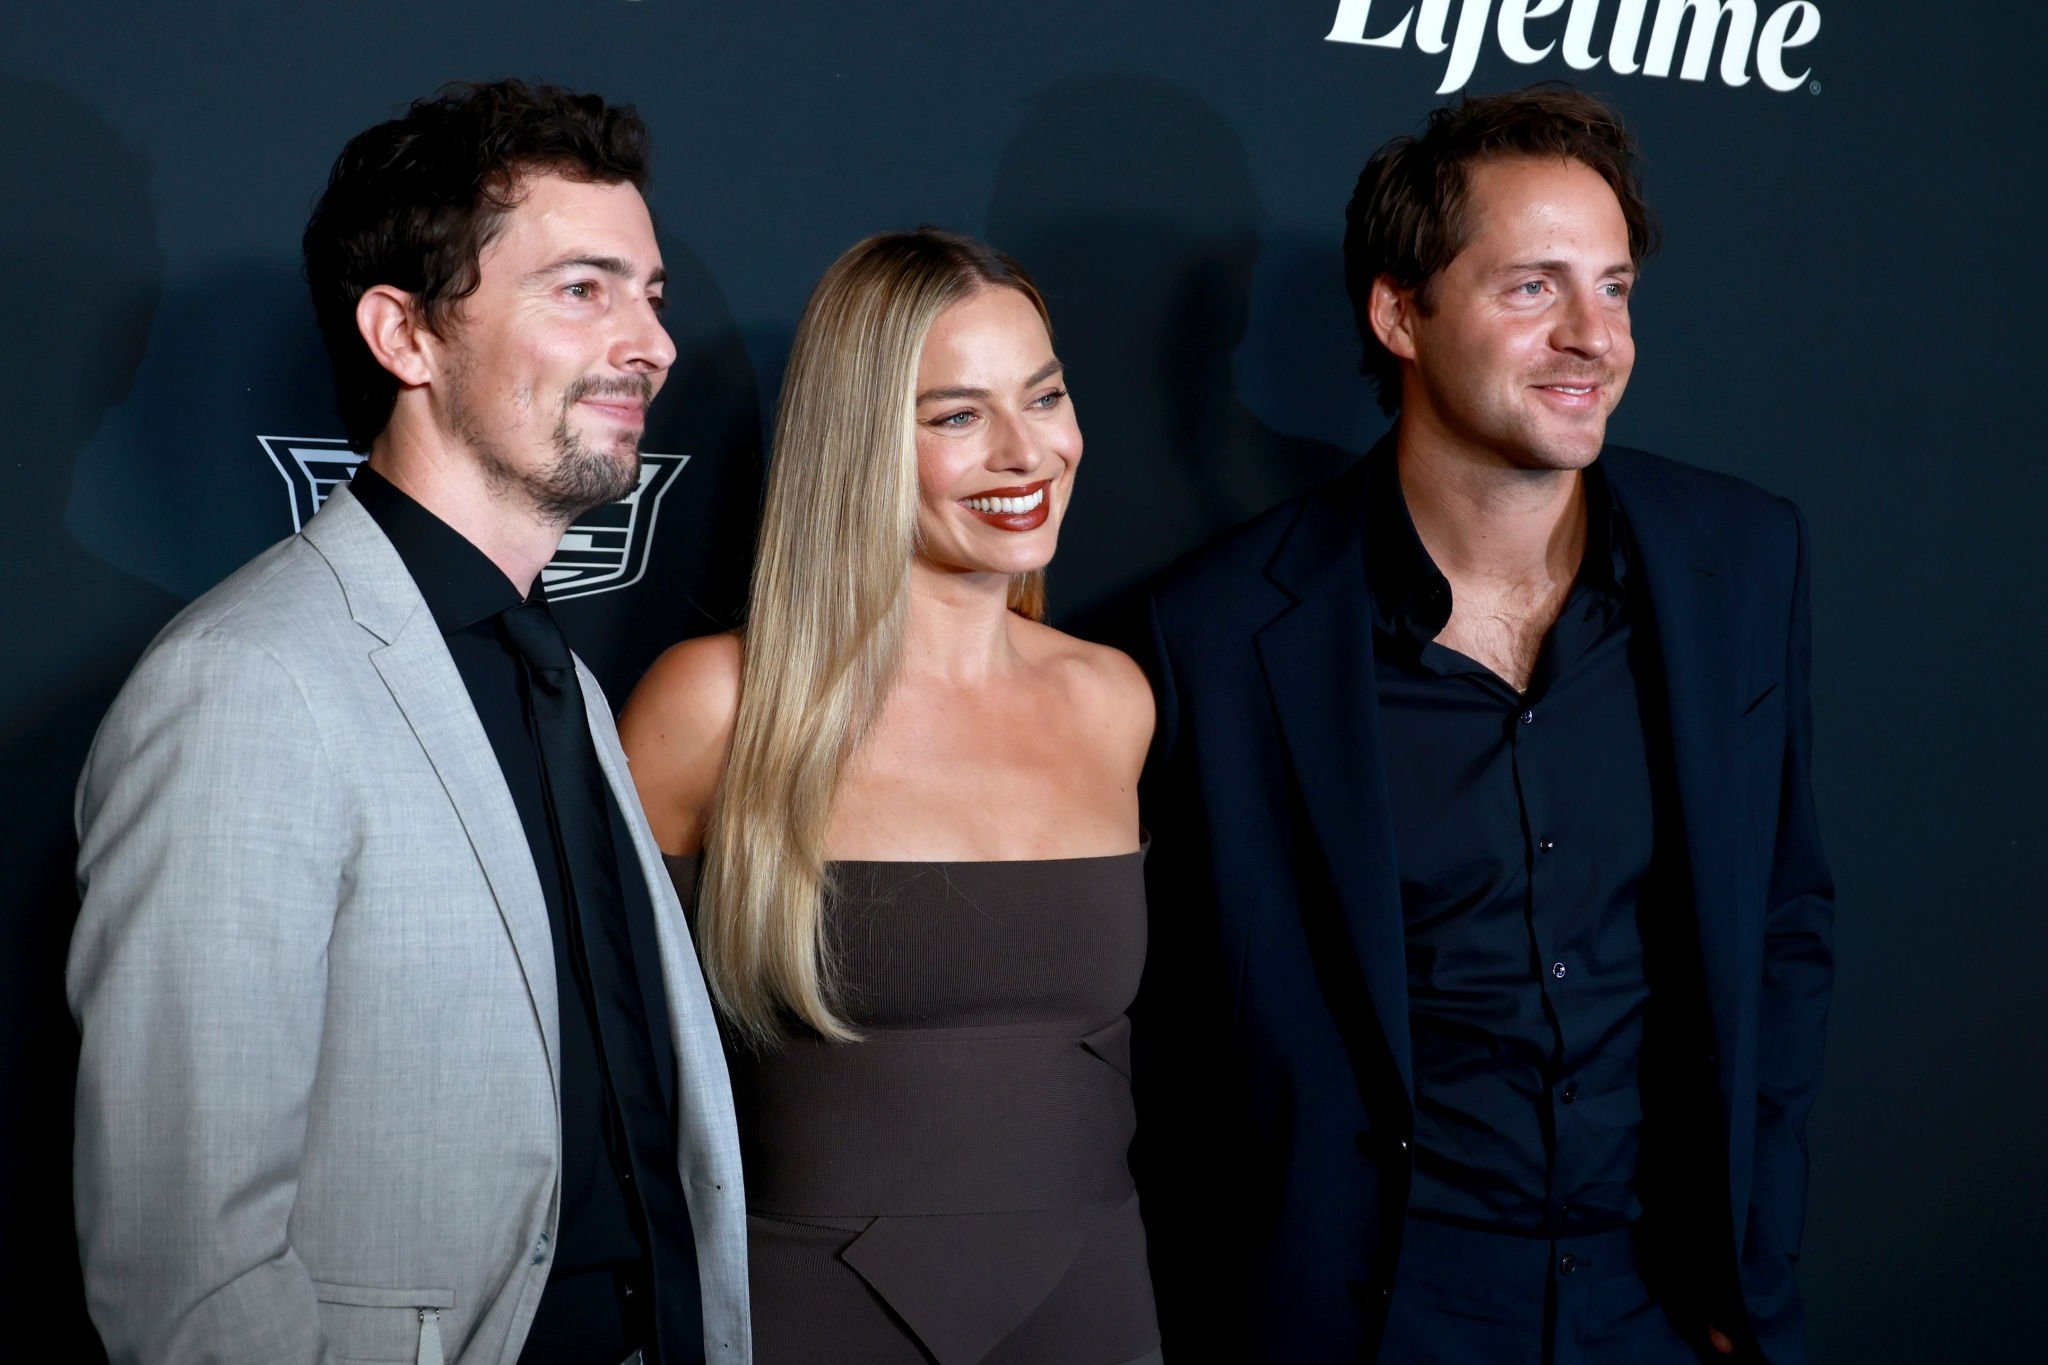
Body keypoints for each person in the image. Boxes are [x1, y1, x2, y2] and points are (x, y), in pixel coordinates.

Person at [1128, 86, 1833, 1363]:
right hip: (1377, 1317)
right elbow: (1171, 1044)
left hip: (1660, 1306)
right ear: (1398, 314)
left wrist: (1749, 1259)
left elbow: (1781, 927)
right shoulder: (1215, 635)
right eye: (1531, 288)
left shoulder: (1738, 559)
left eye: (1612, 288)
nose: (1591, 337)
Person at [68, 80, 749, 1364]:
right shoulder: (247, 684)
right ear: (405, 335)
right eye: (582, 289)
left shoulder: (560, 675)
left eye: (650, 295)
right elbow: (187, 1274)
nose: (653, 344)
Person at [619, 228, 1160, 1365]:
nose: (1027, 452)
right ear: (858, 444)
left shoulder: (1112, 700)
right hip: (803, 1313)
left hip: (1095, 1308)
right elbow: (612, 1069)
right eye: (957, 416)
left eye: (1045, 396)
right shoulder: (716, 707)